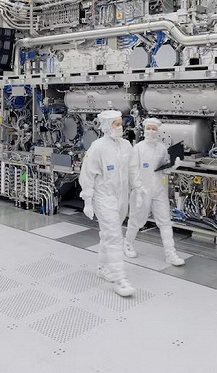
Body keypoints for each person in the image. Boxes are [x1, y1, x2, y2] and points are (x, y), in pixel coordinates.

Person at [79, 109, 139, 297]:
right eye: (116, 124)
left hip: (121, 198)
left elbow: (133, 169)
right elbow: (87, 174)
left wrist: (138, 188)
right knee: (114, 237)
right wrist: (87, 200)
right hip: (103, 197)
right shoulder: (97, 147)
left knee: (109, 234)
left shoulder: (126, 146)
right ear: (106, 126)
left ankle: (102, 267)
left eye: (121, 123)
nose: (120, 127)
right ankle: (120, 279)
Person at [124, 118, 185, 267]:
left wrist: (173, 166)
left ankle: (170, 253)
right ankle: (127, 244)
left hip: (158, 190)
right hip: (142, 190)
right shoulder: (138, 148)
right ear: (144, 130)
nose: (151, 131)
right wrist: (137, 188)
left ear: (158, 131)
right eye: (148, 128)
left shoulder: (162, 148)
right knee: (136, 220)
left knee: (165, 222)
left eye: (154, 129)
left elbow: (164, 169)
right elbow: (132, 170)